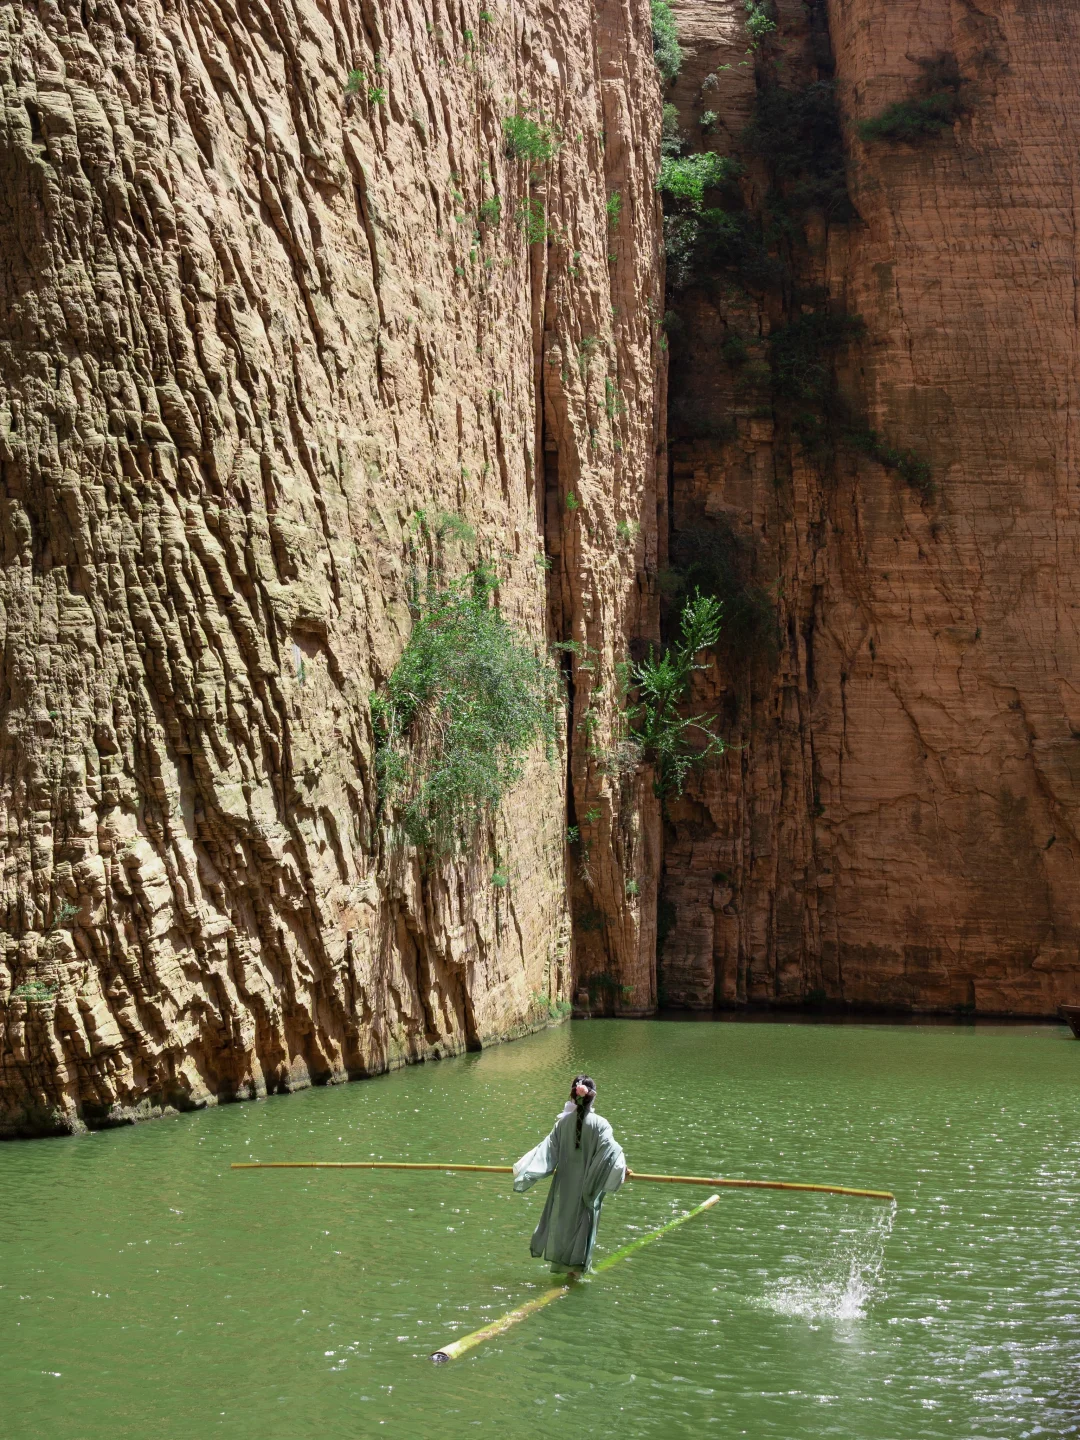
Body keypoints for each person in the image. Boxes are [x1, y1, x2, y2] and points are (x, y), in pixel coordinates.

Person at [512, 1074, 631, 1276]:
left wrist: (523, 1168)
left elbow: (545, 1153)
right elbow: (611, 1155)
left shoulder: (562, 1124)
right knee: (583, 1225)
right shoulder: (601, 1125)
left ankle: (567, 1270)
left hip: (565, 1186)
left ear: (572, 1096)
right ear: (593, 1097)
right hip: (588, 1186)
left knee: (564, 1223)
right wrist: (623, 1171)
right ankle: (576, 1273)